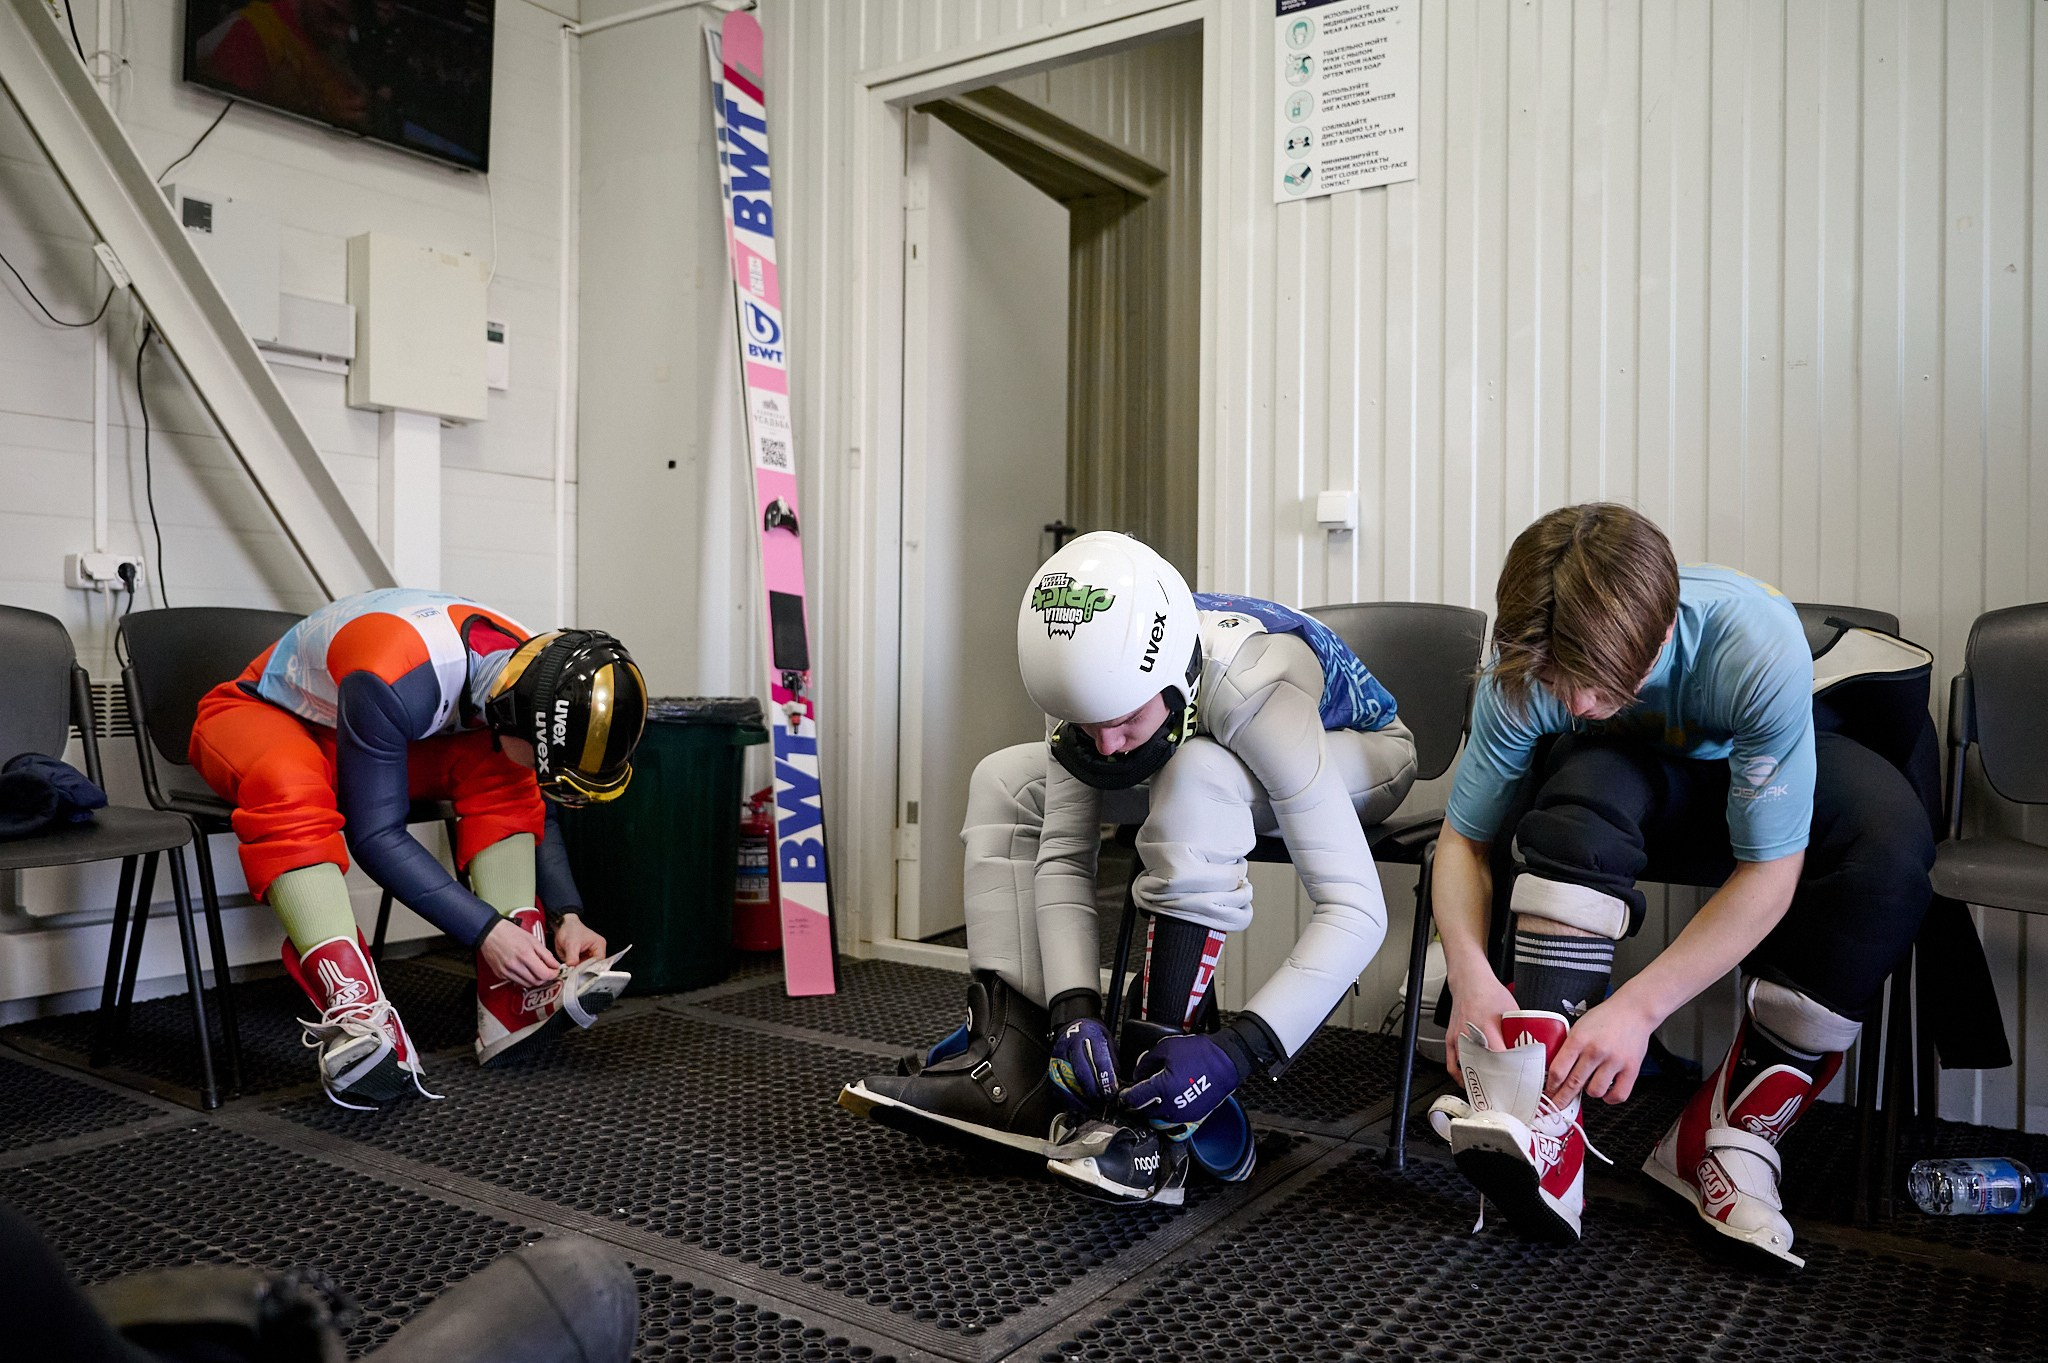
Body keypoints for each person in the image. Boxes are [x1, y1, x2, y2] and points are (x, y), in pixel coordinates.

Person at [1426, 503, 1934, 1268]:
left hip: (1753, 758)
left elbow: (1771, 870)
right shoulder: (1528, 669)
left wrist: (1640, 1007)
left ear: (1660, 636)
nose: (1575, 704)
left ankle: (1727, 1135)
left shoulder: (1753, 642)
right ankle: (1540, 1113)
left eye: (1595, 684)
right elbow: (1463, 840)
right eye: (1560, 683)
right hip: (1631, 774)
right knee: (1575, 802)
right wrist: (1467, 969)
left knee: (1891, 848)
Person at [842, 532, 1418, 1204]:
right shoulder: (1091, 674)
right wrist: (1074, 1009)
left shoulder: (1256, 685)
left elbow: (1357, 909)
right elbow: (1063, 856)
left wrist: (1239, 1051)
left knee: (1197, 772)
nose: (1105, 746)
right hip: (1199, 729)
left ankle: (1160, 1107)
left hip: (1365, 751)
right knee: (1005, 779)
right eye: (1086, 726)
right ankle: (1020, 1063)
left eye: (1121, 722)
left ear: (1173, 681)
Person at [189, 589, 646, 1107]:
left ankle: (514, 992)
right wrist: (483, 931)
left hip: (371, 727)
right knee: (287, 782)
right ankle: (357, 1011)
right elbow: (375, 836)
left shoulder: (528, 670)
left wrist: (567, 913)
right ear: (519, 715)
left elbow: (533, 790)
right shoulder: (395, 668)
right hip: (262, 715)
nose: (546, 779)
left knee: (503, 771)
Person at [194, 0, 372, 132]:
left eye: (350, 27)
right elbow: (235, 125)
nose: (341, 35)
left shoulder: (331, 51)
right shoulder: (254, 33)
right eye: (332, 16)